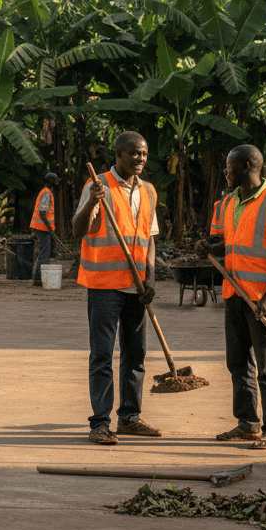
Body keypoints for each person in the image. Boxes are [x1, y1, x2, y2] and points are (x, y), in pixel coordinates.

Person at [197, 145, 266, 450]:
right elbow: (227, 242)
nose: (225, 172)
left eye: (230, 166)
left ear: (249, 166)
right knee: (238, 363)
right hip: (235, 293)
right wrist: (207, 247)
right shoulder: (228, 203)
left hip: (263, 300)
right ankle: (247, 424)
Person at [73, 131, 162, 445]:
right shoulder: (98, 186)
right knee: (101, 356)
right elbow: (79, 229)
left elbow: (149, 238)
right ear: (119, 155)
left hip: (137, 286)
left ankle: (130, 418)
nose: (140, 159)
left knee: (136, 355)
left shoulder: (149, 191)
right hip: (104, 285)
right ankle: (100, 423)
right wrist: (93, 203)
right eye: (134, 153)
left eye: (144, 154)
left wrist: (150, 279)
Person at [30, 172, 59, 286]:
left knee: (44, 253)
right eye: (55, 180)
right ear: (51, 181)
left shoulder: (46, 192)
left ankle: (38, 278)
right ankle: (38, 279)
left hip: (42, 227)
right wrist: (49, 229)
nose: (57, 182)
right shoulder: (47, 193)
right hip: (42, 228)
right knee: (44, 254)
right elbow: (42, 213)